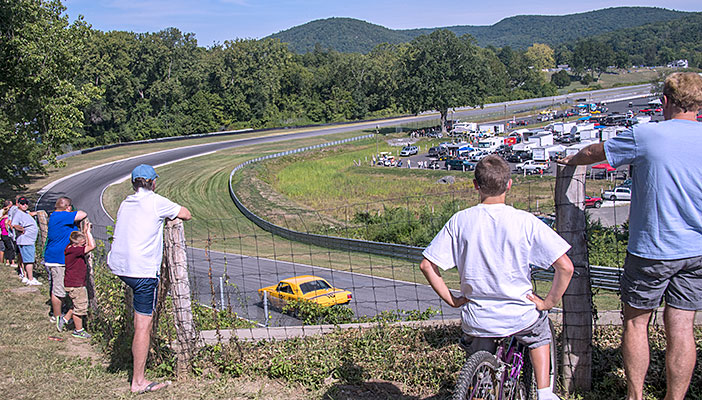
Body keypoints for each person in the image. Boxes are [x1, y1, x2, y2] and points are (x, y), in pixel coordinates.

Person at [559, 72, 702, 400]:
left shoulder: (647, 135)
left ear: (664, 101)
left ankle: (635, 396)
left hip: (652, 248)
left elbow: (597, 152)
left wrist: (573, 158)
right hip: (696, 249)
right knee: (682, 327)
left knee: (636, 323)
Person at [420, 155, 573, 400]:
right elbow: (565, 267)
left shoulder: (460, 221)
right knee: (540, 333)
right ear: (509, 185)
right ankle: (545, 393)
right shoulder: (525, 221)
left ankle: (481, 385)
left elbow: (427, 265)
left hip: (478, 317)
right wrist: (548, 303)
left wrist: (452, 299)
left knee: (478, 356)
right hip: (519, 315)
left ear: (475, 185)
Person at [107, 164, 191, 394]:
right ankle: (138, 381)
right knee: (143, 326)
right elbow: (186, 213)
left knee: (138, 317)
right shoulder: (157, 202)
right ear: (153, 182)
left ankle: (136, 367)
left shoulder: (126, 202)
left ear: (134, 184)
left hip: (119, 266)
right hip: (142, 270)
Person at [44, 197, 87, 327]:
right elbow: (83, 214)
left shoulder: (55, 215)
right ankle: (58, 317)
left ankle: (61, 313)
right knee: (58, 290)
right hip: (57, 259)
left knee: (59, 287)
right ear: (68, 207)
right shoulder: (61, 216)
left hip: (56, 257)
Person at [63, 223, 95, 339]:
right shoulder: (76, 251)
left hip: (71, 282)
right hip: (76, 284)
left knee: (76, 303)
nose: (84, 245)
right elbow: (92, 246)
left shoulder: (70, 248)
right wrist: (88, 233)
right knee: (80, 308)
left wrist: (84, 233)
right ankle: (78, 330)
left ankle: (65, 320)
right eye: (82, 243)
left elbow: (86, 244)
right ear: (76, 244)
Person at [11, 197, 41, 286]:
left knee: (26, 259)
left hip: (29, 240)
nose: (25, 205)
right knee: (29, 260)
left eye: (26, 204)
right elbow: (14, 224)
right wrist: (21, 229)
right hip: (26, 240)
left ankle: (26, 276)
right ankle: (30, 279)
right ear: (18, 204)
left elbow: (31, 213)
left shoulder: (25, 213)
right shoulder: (18, 213)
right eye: (22, 204)